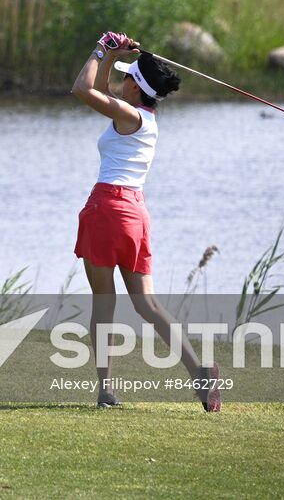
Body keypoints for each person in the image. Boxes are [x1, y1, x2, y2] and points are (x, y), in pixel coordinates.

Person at [71, 32, 221, 412]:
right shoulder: (143, 117)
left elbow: (83, 89)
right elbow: (103, 86)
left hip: (107, 208)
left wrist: (99, 49)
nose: (119, 81)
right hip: (135, 212)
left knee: (104, 302)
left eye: (126, 76)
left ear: (135, 87)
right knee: (147, 304)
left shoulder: (128, 115)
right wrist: (113, 57)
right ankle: (199, 373)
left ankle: (106, 390)